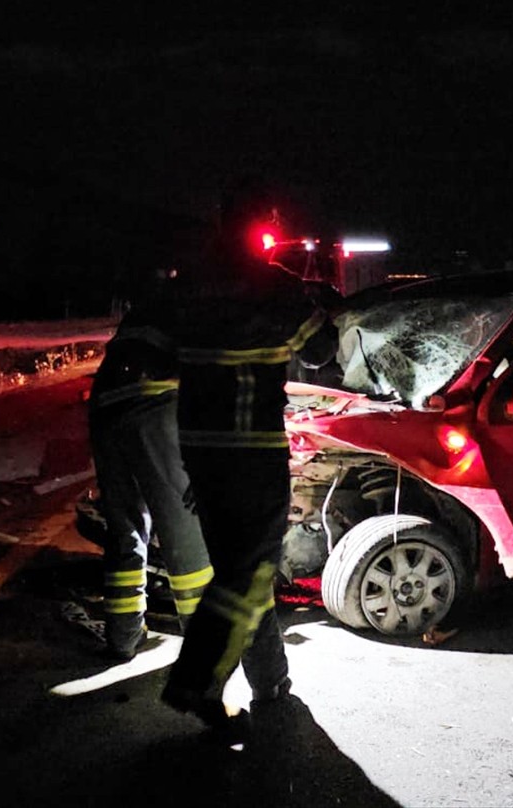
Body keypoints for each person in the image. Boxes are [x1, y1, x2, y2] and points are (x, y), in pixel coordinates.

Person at [160, 209, 337, 735]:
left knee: (242, 570)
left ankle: (270, 680)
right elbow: (323, 351)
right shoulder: (277, 287)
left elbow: (171, 355)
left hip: (200, 452)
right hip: (253, 452)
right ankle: (197, 680)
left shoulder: (189, 286)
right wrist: (315, 302)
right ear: (264, 229)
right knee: (250, 571)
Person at [88, 273, 214, 660]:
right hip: (156, 404)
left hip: (105, 406)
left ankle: (124, 636)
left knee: (125, 527)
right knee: (184, 536)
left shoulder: (152, 307)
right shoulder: (202, 308)